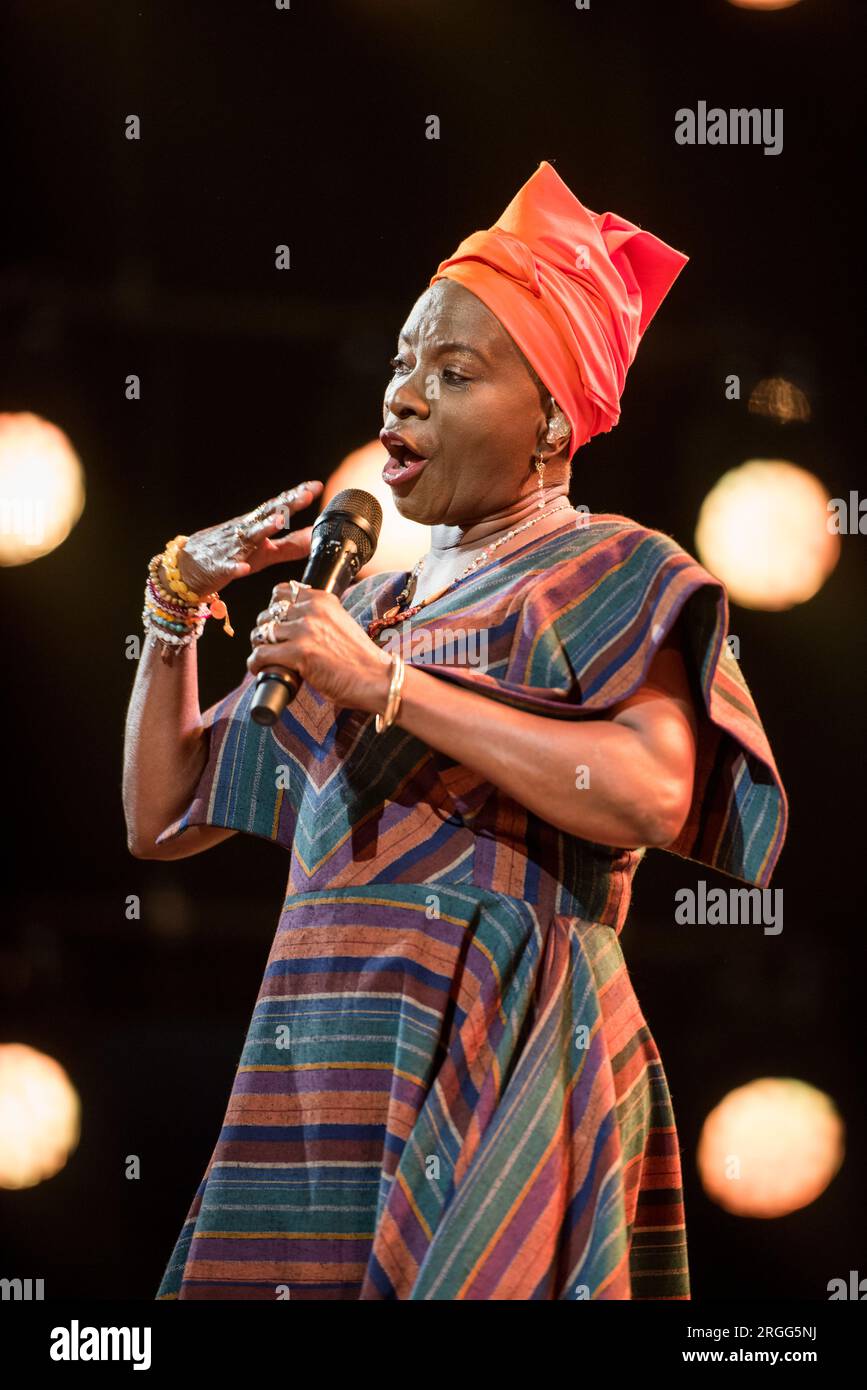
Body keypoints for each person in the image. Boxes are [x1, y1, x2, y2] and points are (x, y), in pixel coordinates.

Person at [123, 160, 787, 1300]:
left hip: (508, 1039)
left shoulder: (611, 567)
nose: (403, 397)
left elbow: (653, 793)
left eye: (453, 372)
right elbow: (162, 811)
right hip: (322, 1049)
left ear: (554, 420)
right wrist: (175, 601)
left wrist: (388, 688)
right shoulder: (365, 606)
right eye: (401, 364)